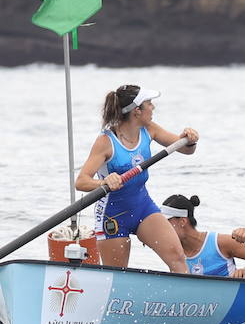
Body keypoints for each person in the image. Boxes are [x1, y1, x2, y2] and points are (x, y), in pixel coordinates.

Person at [76, 85, 199, 272]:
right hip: (113, 215)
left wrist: (190, 139)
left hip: (143, 207)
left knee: (177, 257)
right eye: (149, 103)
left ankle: (186, 300)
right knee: (116, 276)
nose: (153, 108)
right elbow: (81, 182)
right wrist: (104, 182)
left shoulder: (149, 130)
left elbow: (186, 150)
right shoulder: (105, 142)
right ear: (137, 111)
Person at [163, 194, 245, 278]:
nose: (161, 228)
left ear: (182, 221)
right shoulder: (172, 252)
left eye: (165, 223)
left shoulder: (219, 242)